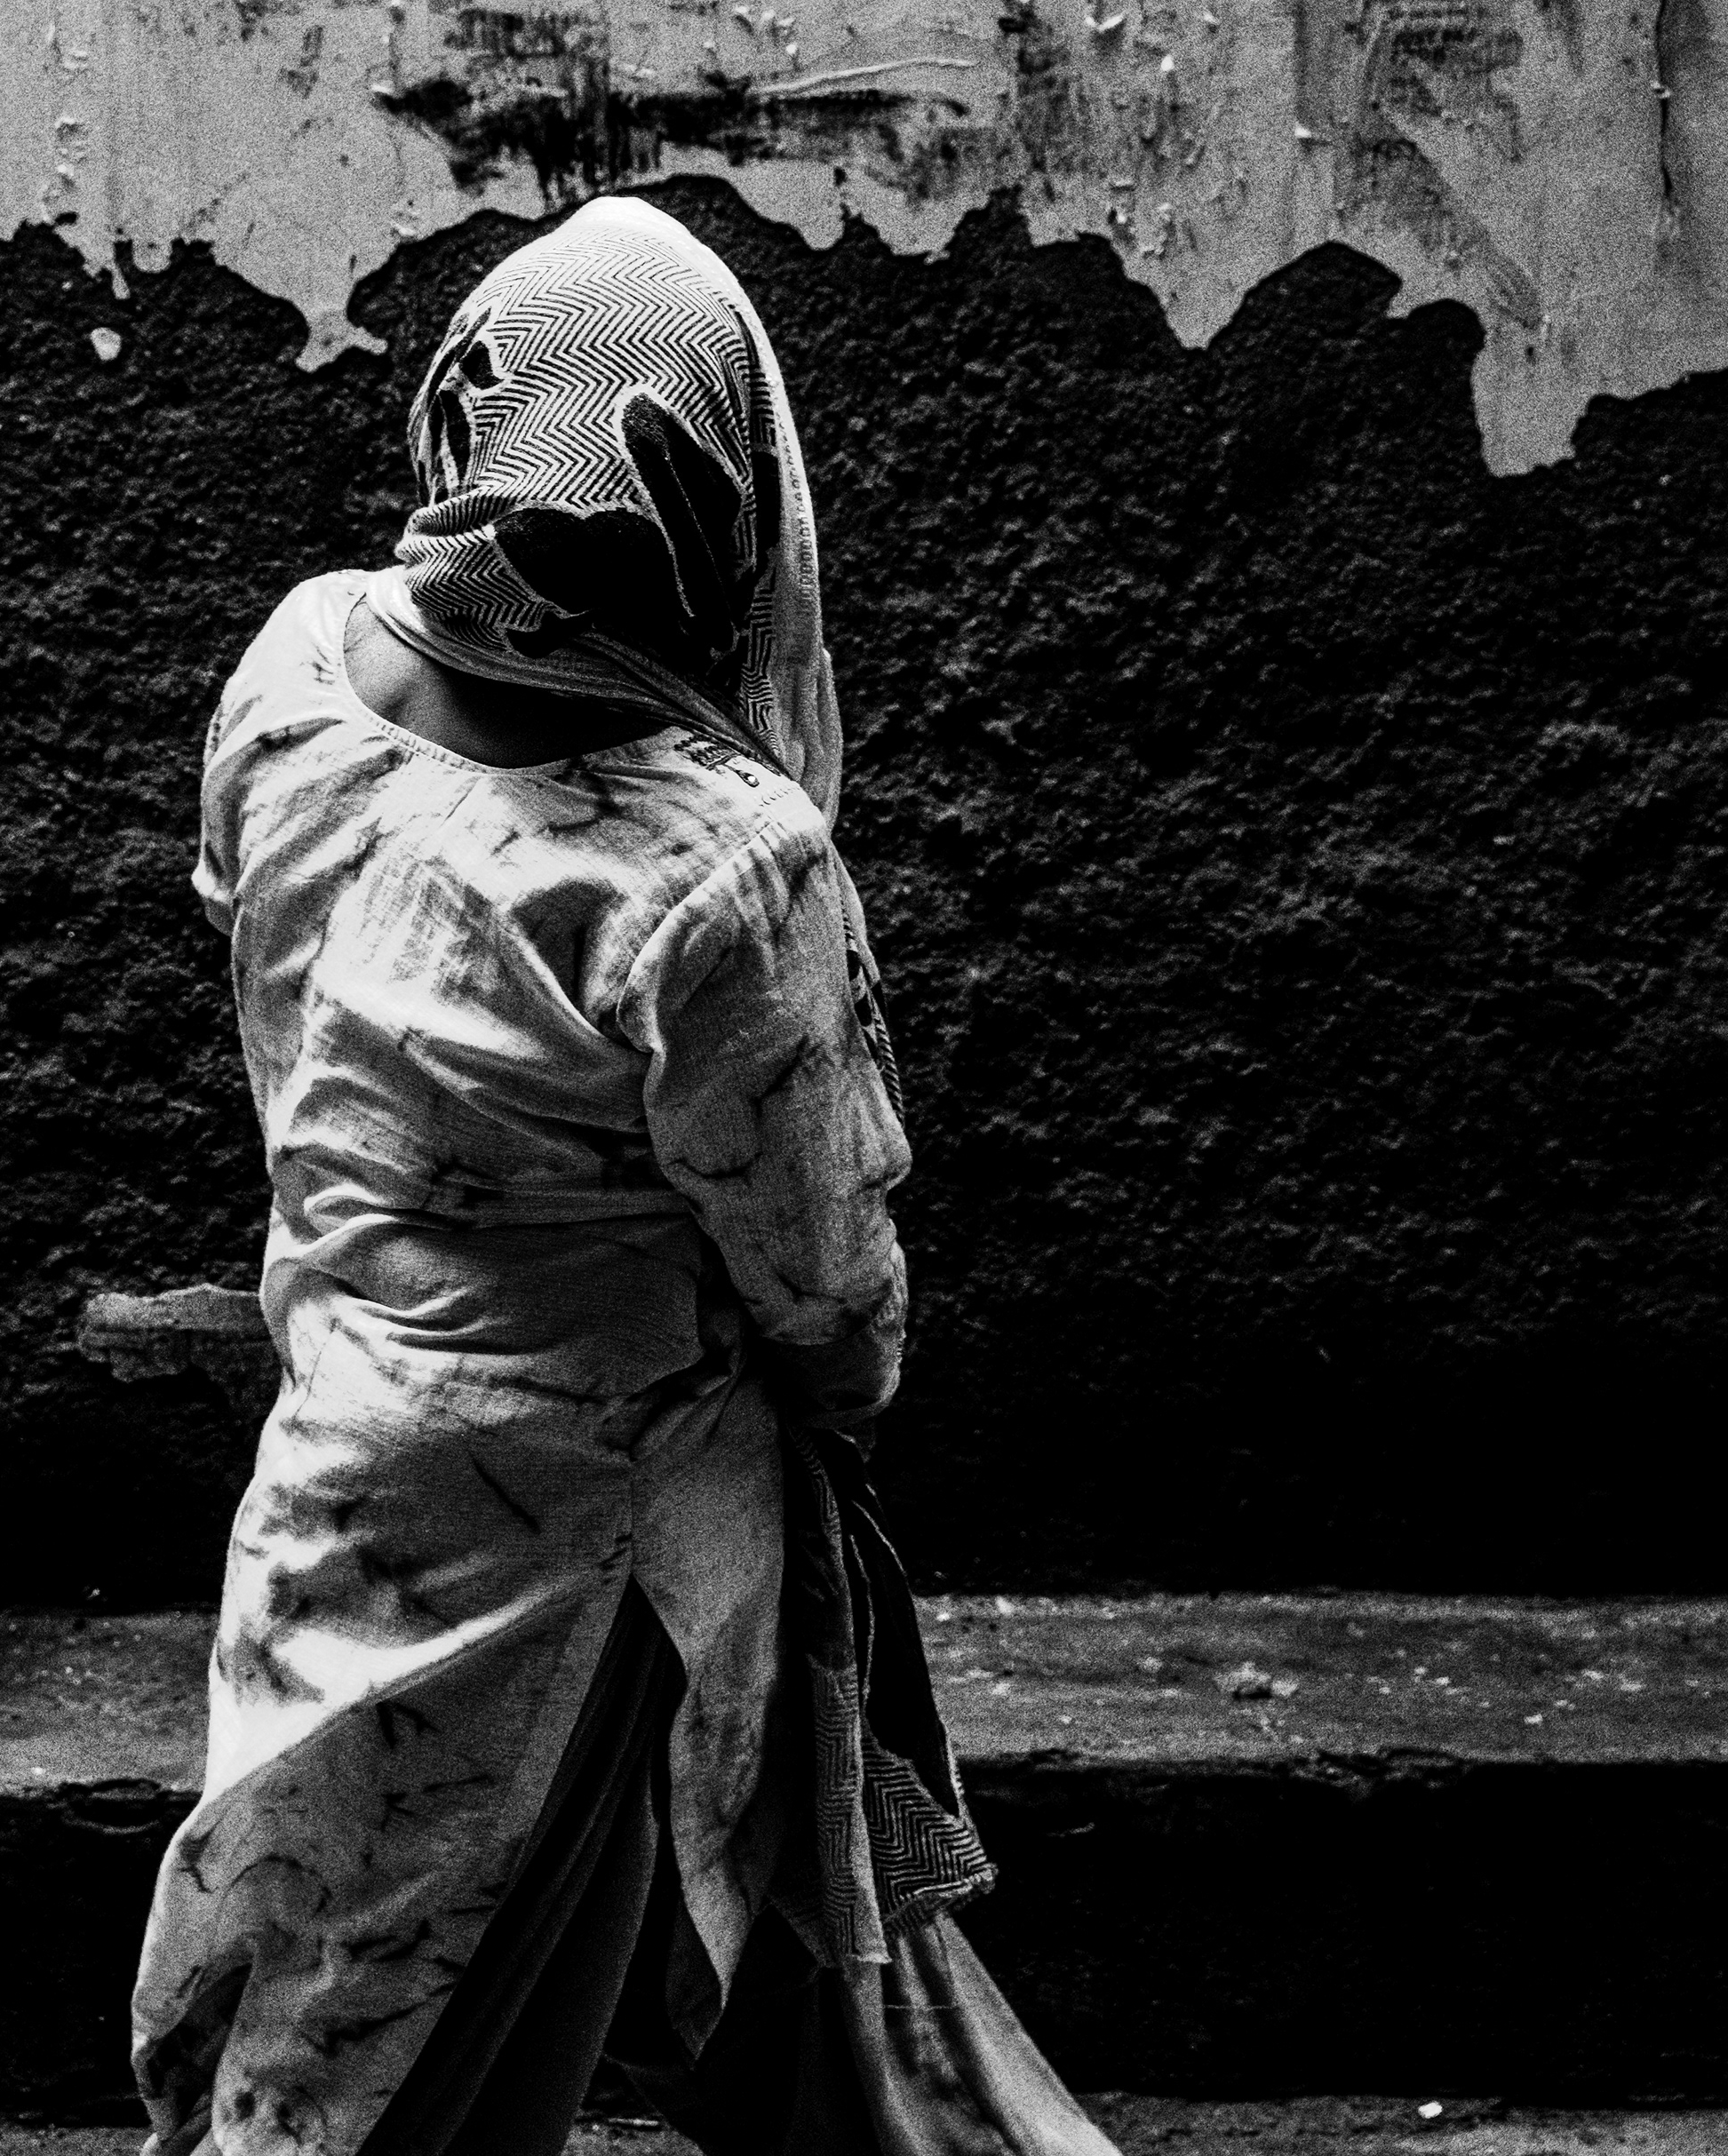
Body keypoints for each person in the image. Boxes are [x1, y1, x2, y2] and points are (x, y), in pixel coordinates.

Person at [131, 195, 1118, 2156]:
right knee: (452, 2050)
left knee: (346, 1993)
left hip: (341, 1462)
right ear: (720, 498)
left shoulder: (301, 664)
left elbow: (259, 934)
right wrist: (828, 1403)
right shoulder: (721, 859)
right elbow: (825, 1278)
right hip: (589, 1545)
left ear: (468, 418)